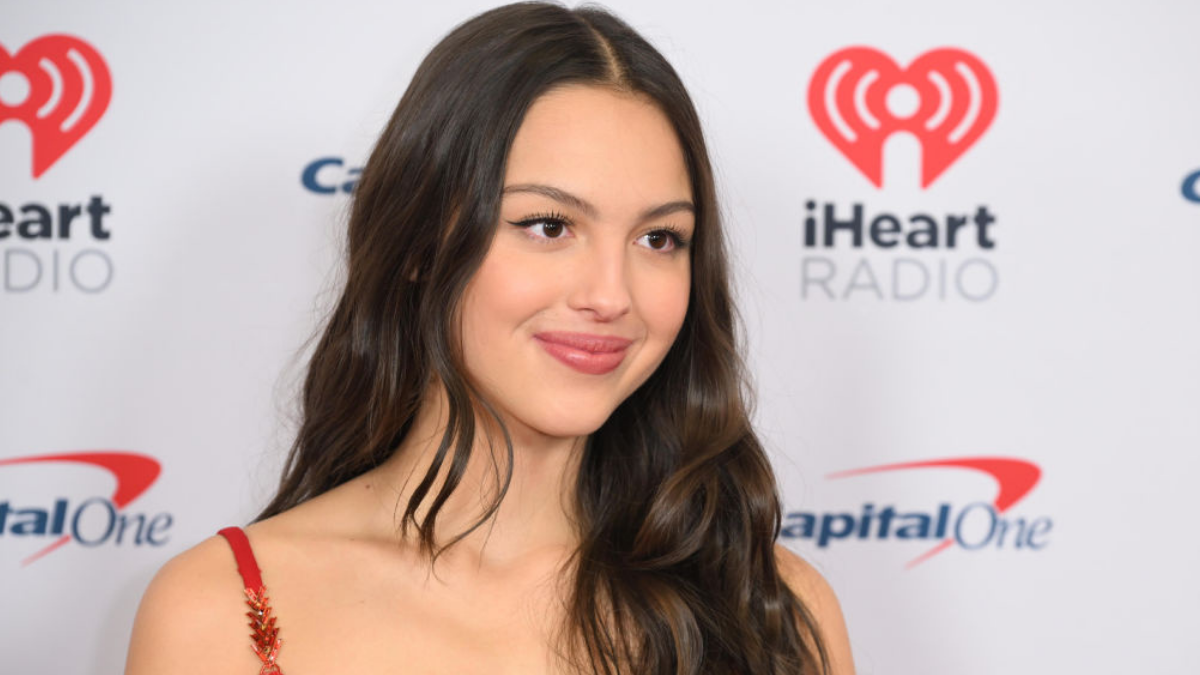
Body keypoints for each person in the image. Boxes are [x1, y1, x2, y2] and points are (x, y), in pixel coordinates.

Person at [125, 2, 855, 673]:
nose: (611, 295)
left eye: (659, 238)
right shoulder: (223, 609)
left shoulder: (773, 611)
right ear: (418, 242)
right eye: (549, 225)